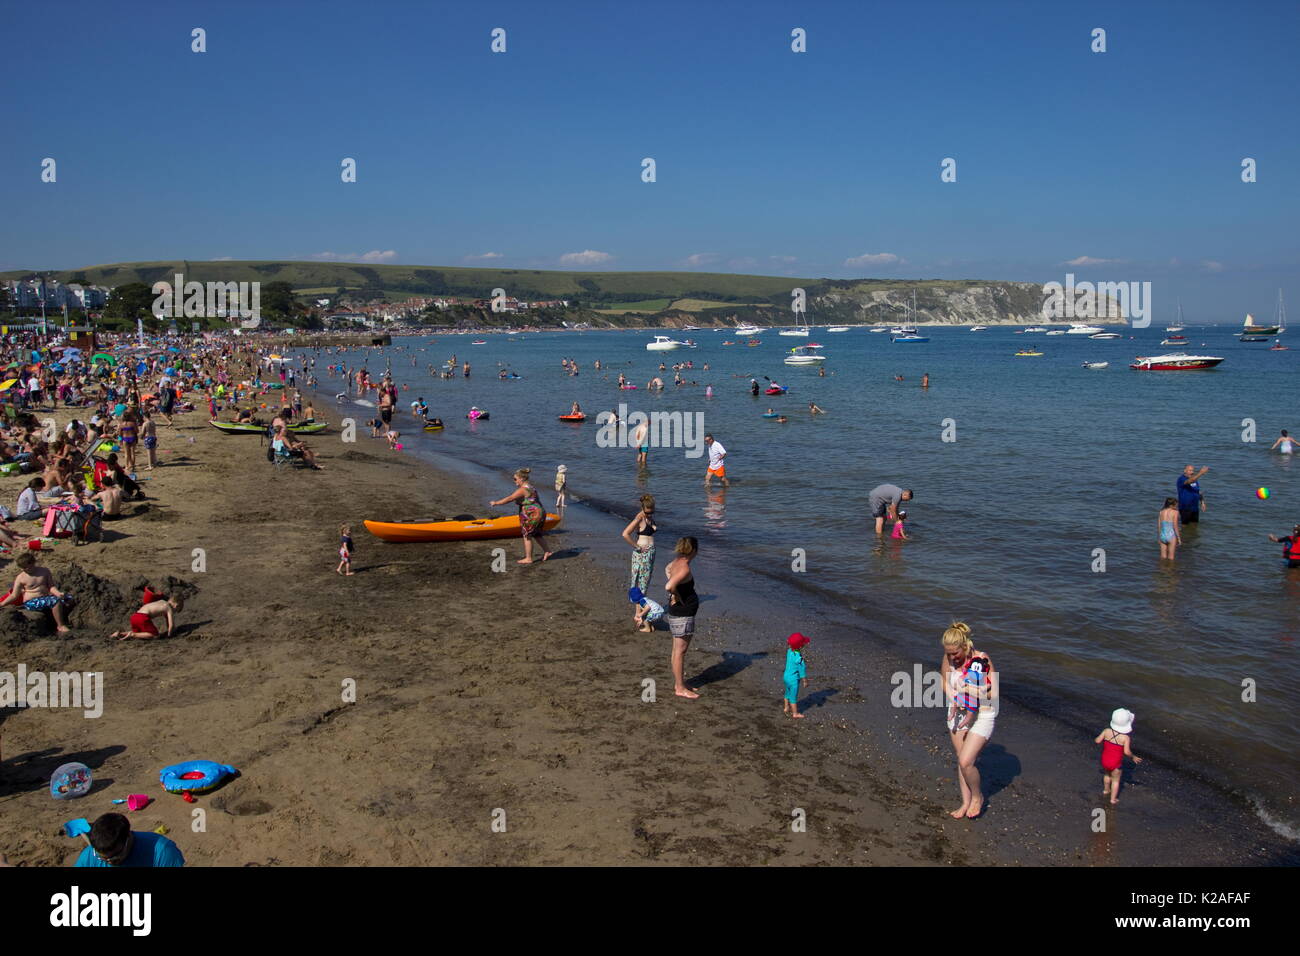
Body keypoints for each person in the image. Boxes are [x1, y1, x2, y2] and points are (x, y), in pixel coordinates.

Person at [940, 622, 995, 819]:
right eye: (948, 654)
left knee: (966, 761)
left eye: (955, 653)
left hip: (983, 713)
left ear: (965, 646)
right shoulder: (948, 658)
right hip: (958, 712)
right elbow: (944, 682)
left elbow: (992, 692)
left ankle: (977, 797)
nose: (952, 658)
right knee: (961, 759)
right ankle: (965, 802)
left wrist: (971, 692)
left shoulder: (982, 659)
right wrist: (956, 697)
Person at [490, 468, 553, 564]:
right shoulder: (531, 487)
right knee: (537, 534)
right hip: (540, 512)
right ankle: (547, 551)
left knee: (527, 535)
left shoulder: (523, 489)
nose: (514, 481)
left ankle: (528, 558)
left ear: (521, 479)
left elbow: (510, 498)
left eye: (515, 479)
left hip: (532, 514)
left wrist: (496, 503)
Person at [74, 812, 184, 867]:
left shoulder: (162, 852)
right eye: (102, 859)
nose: (110, 862)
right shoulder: (89, 857)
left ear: (128, 837)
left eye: (115, 857)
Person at [664, 536, 700, 699]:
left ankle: (681, 683)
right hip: (682, 613)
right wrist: (675, 594)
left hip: (678, 612)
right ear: (694, 550)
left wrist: (676, 593)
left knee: (677, 650)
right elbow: (669, 585)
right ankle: (679, 687)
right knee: (680, 651)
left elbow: (667, 570)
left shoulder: (675, 562)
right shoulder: (684, 567)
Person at [0, 551, 71, 633]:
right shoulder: (21, 578)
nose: (24, 570)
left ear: (33, 563)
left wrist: (58, 593)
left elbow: (51, 586)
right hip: (31, 602)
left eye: (26, 567)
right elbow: (14, 595)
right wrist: (2, 604)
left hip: (45, 598)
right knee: (55, 601)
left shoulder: (45, 571)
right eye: (22, 568)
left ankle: (64, 618)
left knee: (69, 598)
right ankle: (60, 626)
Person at [1094, 709, 1142, 805]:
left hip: (1105, 760)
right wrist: (1133, 757)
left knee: (1107, 775)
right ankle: (1113, 799)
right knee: (1116, 781)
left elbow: (1097, 741)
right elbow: (1126, 752)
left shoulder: (1106, 731)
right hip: (1116, 764)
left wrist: (1097, 738)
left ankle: (1106, 790)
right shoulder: (1125, 738)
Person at [621, 494, 657, 620]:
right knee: (641, 585)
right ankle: (638, 614)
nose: (649, 514)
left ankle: (639, 613)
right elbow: (625, 534)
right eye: (647, 512)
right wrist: (637, 547)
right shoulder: (639, 518)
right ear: (643, 509)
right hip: (642, 555)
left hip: (650, 554)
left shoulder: (649, 518)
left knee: (644, 584)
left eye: (652, 511)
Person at [111, 592, 184, 639]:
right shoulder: (168, 608)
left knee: (140, 634)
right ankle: (132, 634)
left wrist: (171, 629)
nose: (174, 612)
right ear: (176, 606)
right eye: (176, 611)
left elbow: (168, 623)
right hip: (143, 617)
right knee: (155, 635)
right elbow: (171, 625)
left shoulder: (162, 601)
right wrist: (169, 636)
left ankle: (119, 634)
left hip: (135, 616)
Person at [783, 632, 809, 719]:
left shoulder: (789, 651)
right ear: (801, 646)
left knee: (787, 692)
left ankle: (786, 708)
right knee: (793, 697)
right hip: (793, 680)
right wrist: (805, 681)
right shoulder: (799, 658)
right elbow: (802, 670)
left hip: (786, 676)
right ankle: (795, 713)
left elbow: (792, 646)